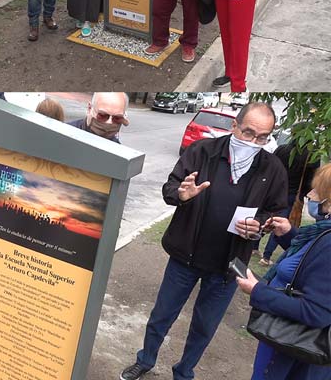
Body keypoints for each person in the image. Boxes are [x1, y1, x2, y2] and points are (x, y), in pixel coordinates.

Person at [119, 102, 288, 380]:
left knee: (204, 326)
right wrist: (182, 194)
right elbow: (170, 188)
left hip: (228, 266)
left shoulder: (272, 167)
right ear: (235, 126)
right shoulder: (203, 152)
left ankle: (184, 372)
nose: (254, 142)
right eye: (248, 133)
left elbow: (275, 210)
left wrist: (260, 225)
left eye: (262, 137)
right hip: (185, 255)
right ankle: (145, 360)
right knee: (162, 315)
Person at [235, 163, 331, 380]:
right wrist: (289, 235)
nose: (309, 194)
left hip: (294, 344)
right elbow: (311, 265)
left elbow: (315, 312)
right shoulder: (322, 232)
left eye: (317, 191)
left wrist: (257, 290)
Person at [261, 139, 320, 265]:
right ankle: (266, 256)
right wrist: (303, 195)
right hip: (292, 194)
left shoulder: (282, 149)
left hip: (273, 189)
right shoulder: (311, 155)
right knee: (280, 223)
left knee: (265, 216)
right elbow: (311, 179)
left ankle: (254, 246)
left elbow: (270, 167)